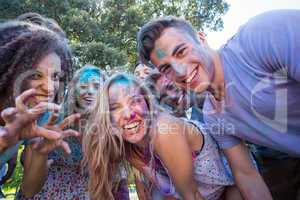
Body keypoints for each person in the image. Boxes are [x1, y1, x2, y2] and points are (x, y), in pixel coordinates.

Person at [137, 9, 300, 199]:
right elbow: (246, 175)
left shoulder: (261, 36)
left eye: (181, 52)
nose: (180, 71)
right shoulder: (213, 116)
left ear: (201, 39)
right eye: (166, 68)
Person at [83, 73, 244, 200]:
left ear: (147, 102)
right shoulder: (129, 147)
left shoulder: (164, 131)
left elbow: (192, 196)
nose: (128, 114)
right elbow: (168, 192)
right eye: (115, 108)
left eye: (135, 101)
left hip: (231, 186)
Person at [0, 20, 77, 158]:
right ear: (8, 72)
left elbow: (31, 180)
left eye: (55, 77)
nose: (49, 88)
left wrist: (40, 152)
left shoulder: (37, 117)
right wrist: (3, 142)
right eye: (35, 75)